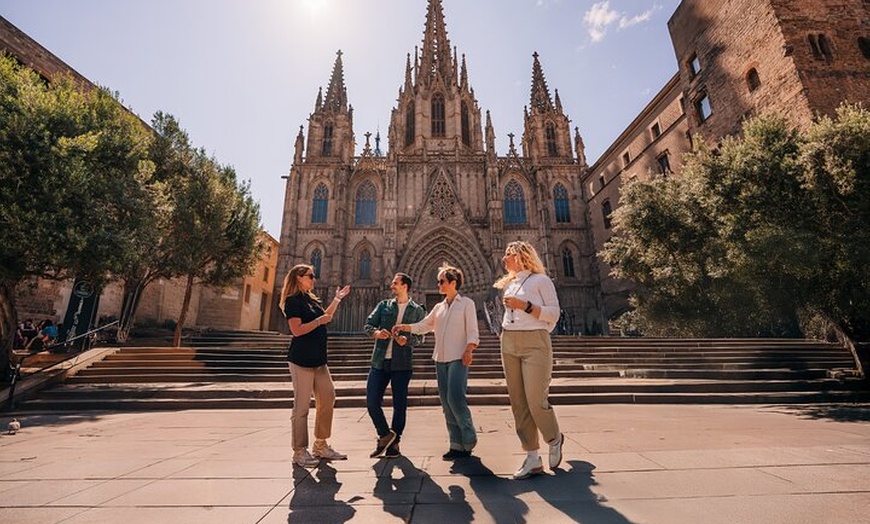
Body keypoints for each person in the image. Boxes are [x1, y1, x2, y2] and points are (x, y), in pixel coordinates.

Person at [393, 263, 479, 460]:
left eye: (441, 281)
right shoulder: (439, 307)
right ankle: (456, 443)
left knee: (455, 398)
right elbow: (425, 325)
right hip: (440, 358)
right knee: (446, 402)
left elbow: (473, 330)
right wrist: (405, 327)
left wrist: (469, 349)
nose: (438, 284)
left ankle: (468, 435)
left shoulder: (467, 304)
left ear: (453, 283)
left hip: (458, 357)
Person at [494, 241, 564, 480]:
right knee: (518, 402)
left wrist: (525, 306)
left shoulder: (541, 281)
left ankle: (554, 438)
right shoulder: (509, 284)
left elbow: (554, 314)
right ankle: (532, 456)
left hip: (535, 341)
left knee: (535, 400)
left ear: (521, 256)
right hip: (509, 341)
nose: (504, 258)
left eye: (508, 254)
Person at [280, 264, 351, 468]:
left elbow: (326, 318)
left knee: (328, 397)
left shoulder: (310, 299)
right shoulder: (292, 301)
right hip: (301, 359)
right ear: (299, 277)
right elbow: (297, 330)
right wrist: (318, 321)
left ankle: (320, 445)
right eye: (311, 276)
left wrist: (337, 299)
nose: (314, 279)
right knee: (302, 406)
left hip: (319, 359)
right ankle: (299, 451)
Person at [363, 273, 427, 459]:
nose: (391, 285)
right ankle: (385, 435)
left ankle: (395, 444)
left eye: (395, 283)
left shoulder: (417, 310)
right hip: (379, 360)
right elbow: (368, 325)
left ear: (405, 286)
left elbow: (420, 337)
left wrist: (407, 340)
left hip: (402, 362)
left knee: (399, 404)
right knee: (372, 401)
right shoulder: (384, 305)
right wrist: (376, 333)